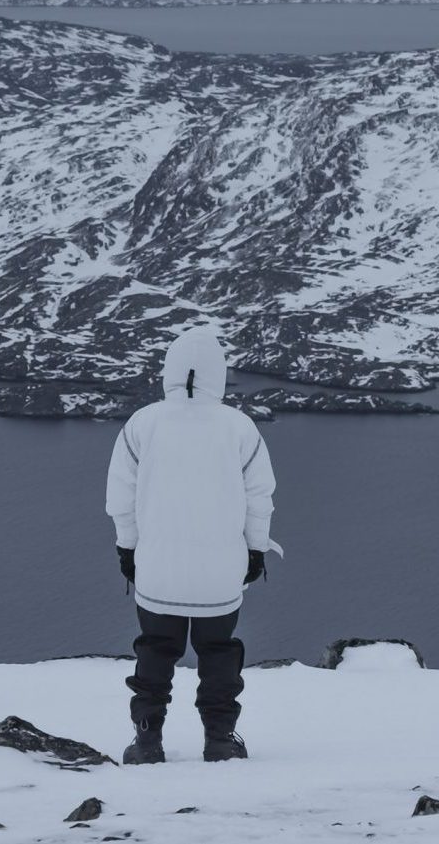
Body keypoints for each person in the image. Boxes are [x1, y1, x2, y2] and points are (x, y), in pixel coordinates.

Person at [105, 322, 279, 764]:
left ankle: (147, 741)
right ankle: (220, 740)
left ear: (170, 369)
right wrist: (256, 550)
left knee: (155, 651)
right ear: (218, 374)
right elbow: (260, 498)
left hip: (157, 568)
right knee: (219, 654)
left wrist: (127, 548)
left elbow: (120, 497)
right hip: (220, 574)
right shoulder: (239, 427)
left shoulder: (143, 423)